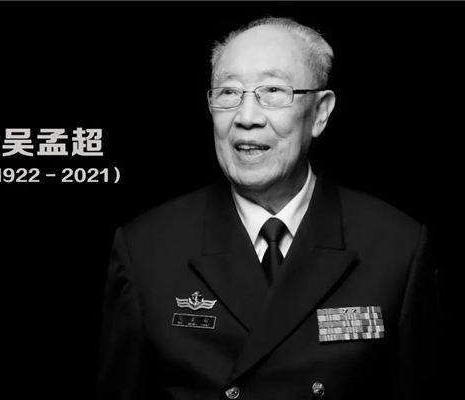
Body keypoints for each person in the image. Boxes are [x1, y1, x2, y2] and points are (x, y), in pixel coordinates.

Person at [98, 16, 440, 400]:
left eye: (273, 91)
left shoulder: (397, 247)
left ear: (320, 112)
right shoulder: (146, 248)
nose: (246, 118)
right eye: (228, 92)